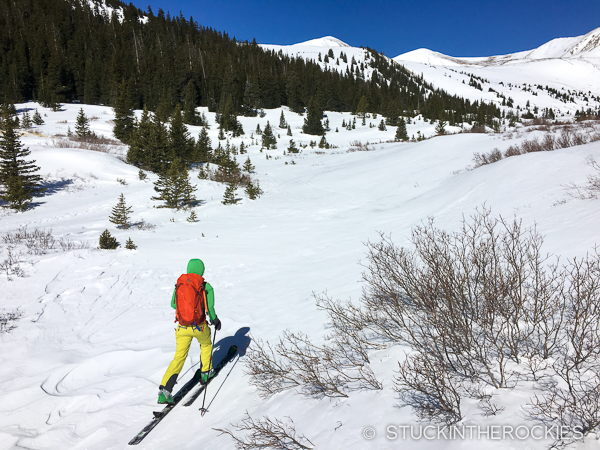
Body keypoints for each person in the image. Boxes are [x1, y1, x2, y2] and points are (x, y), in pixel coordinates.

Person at [158, 258, 222, 404]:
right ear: (202, 270)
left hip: (182, 328)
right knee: (206, 345)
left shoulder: (180, 284)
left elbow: (173, 305)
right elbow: (209, 309)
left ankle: (164, 391)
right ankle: (205, 373)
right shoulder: (206, 287)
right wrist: (215, 321)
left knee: (179, 357)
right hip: (199, 327)